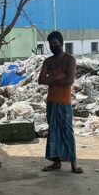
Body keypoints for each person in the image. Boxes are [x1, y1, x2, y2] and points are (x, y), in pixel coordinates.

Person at [37, 31, 82, 174]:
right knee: (53, 132)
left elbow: (70, 80)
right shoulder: (48, 61)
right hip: (51, 102)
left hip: (64, 102)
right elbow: (41, 80)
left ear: (61, 43)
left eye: (55, 43)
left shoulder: (69, 60)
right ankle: (56, 162)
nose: (53, 46)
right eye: (51, 44)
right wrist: (59, 77)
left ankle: (74, 164)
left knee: (67, 132)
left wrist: (52, 78)